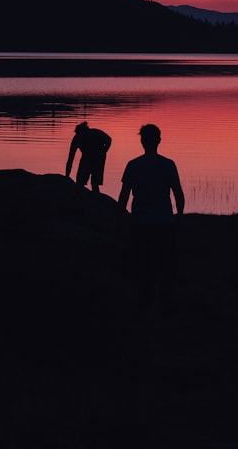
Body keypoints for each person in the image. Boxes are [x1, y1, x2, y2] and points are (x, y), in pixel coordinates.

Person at [118, 124, 185, 316]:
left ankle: (145, 302)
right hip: (164, 222)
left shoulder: (133, 165)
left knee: (142, 263)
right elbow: (178, 194)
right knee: (165, 264)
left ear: (142, 141)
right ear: (159, 141)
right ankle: (164, 303)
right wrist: (179, 217)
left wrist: (120, 218)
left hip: (140, 222)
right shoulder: (168, 164)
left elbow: (124, 196)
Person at [65, 121, 112, 192]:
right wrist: (67, 175)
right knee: (80, 181)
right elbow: (71, 157)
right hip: (86, 158)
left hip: (98, 158)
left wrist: (104, 151)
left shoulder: (96, 133)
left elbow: (109, 140)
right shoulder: (77, 138)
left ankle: (96, 198)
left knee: (94, 182)